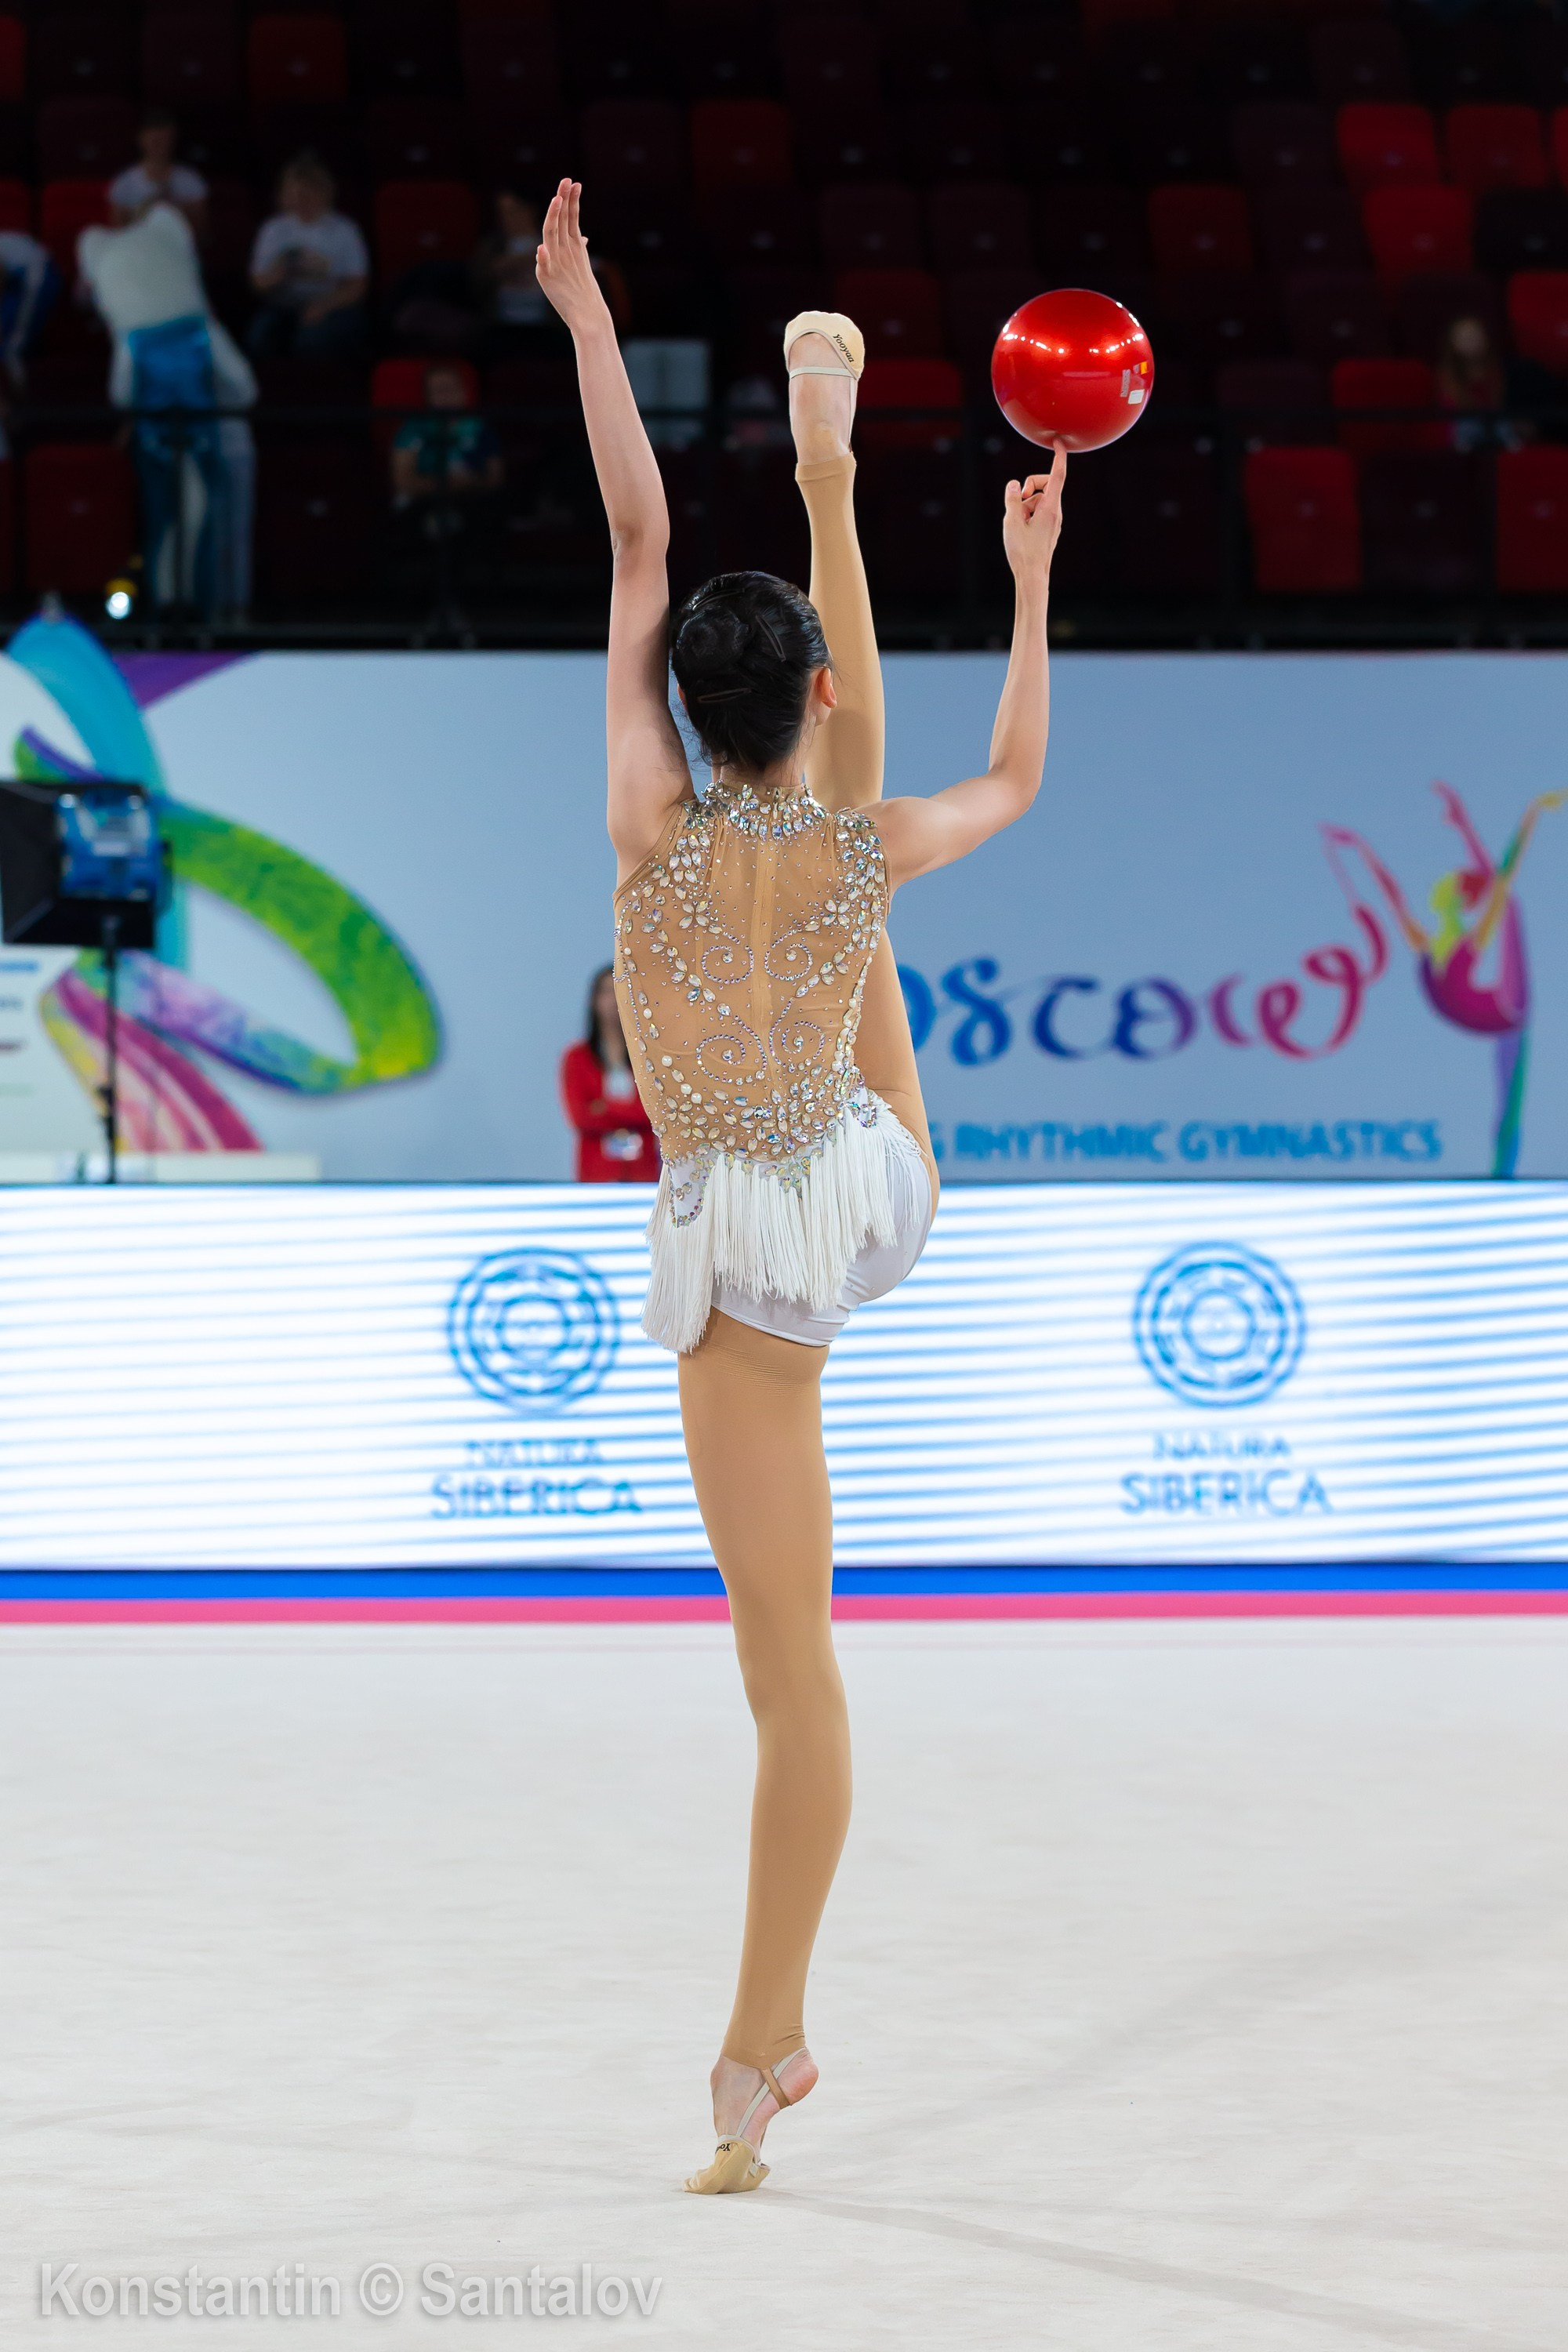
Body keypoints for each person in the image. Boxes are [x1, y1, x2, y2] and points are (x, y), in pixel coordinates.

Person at [535, 180, 1064, 2194]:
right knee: (861, 862)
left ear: (685, 706)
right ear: (809, 688)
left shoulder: (637, 820)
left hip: (756, 1252)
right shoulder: (856, 831)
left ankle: (763, 2054)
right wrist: (1027, 588)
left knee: (788, 1674)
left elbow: (637, 538)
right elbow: (1012, 782)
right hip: (875, 1178)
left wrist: (589, 321)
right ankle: (833, 480)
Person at [78, 203, 256, 618]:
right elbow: (244, 388)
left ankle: (181, 609)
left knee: (182, 517)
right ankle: (184, 610)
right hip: (181, 440)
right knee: (184, 518)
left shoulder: (138, 339)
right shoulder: (197, 330)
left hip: (166, 440)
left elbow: (121, 395)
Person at [247, 154, 369, 364]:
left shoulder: (345, 230)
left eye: (307, 194)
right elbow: (258, 283)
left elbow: (357, 286)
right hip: (284, 303)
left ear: (324, 193)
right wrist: (280, 273)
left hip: (332, 303)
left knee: (312, 340)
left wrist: (324, 305)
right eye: (294, 195)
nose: (300, 201)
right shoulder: (273, 229)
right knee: (260, 336)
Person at [560, 965, 659, 1181]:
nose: (614, 999)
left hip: (644, 1171)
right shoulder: (577, 1057)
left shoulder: (648, 1055)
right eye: (607, 991)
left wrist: (604, 1107)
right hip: (597, 1173)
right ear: (594, 1000)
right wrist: (632, 1110)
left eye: (621, 990)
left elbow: (656, 1112)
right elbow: (580, 1116)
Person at [390, 361, 504, 507]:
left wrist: (471, 484)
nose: (446, 395)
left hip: (473, 502)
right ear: (427, 395)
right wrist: (445, 484)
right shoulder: (412, 429)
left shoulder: (480, 428)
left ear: (463, 391)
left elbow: (495, 479)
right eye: (438, 390)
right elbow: (403, 481)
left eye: (451, 388)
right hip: (423, 503)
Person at [109, 111, 209, 237]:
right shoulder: (124, 182)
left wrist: (173, 210)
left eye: (164, 139)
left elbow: (200, 229)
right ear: (141, 139)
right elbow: (118, 230)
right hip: (139, 244)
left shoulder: (190, 180)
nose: (159, 145)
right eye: (154, 140)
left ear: (173, 140)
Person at [1436, 314, 1525, 452]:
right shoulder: (1448, 375)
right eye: (1464, 338)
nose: (1470, 341)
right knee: (1465, 426)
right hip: (1467, 421)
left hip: (1494, 419)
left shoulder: (1497, 370)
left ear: (1485, 339)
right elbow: (1451, 404)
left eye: (1475, 336)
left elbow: (1500, 399)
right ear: (1453, 343)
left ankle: (1515, 454)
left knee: (1504, 425)